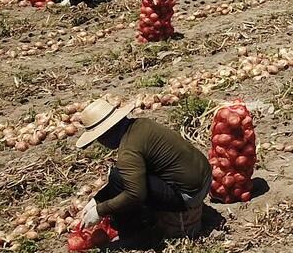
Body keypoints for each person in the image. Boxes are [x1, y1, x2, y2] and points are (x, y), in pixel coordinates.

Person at [76, 96, 212, 238]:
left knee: (119, 179)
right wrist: (98, 199)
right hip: (206, 178)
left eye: (98, 138)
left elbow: (135, 195)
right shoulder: (142, 124)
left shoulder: (128, 151)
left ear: (106, 135)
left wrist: (100, 211)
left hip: (189, 195)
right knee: (120, 176)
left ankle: (134, 232)